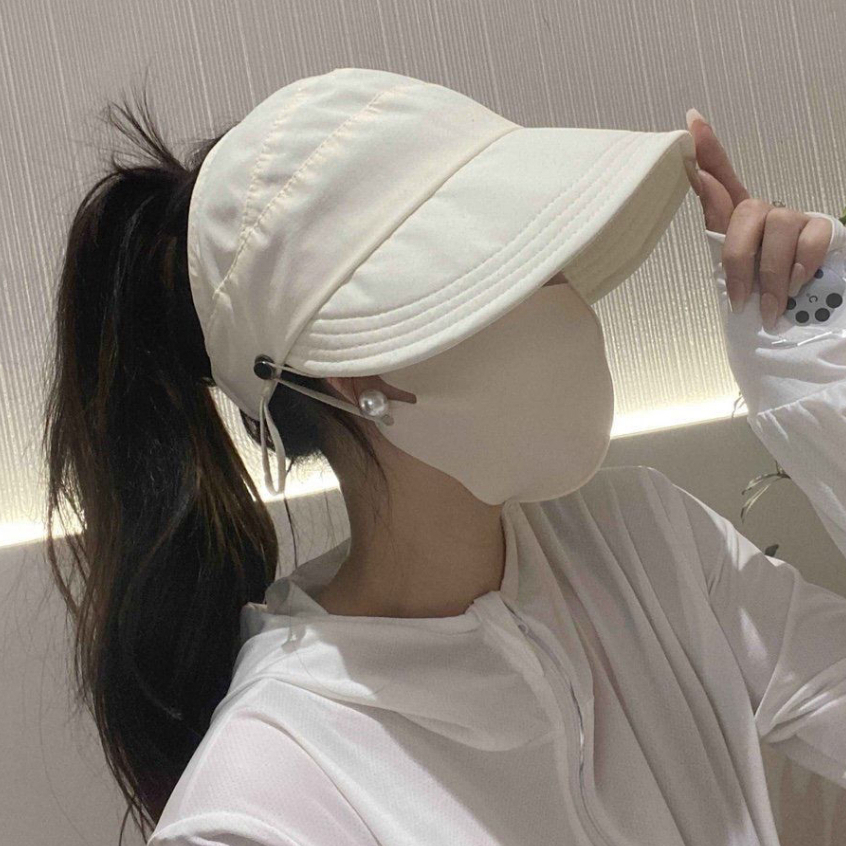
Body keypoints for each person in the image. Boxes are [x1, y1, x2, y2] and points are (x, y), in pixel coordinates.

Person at [42, 68, 846, 846]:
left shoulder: (643, 538)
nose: (567, 300)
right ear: (357, 372)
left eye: (550, 258)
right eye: (505, 269)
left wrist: (822, 382)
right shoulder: (266, 805)